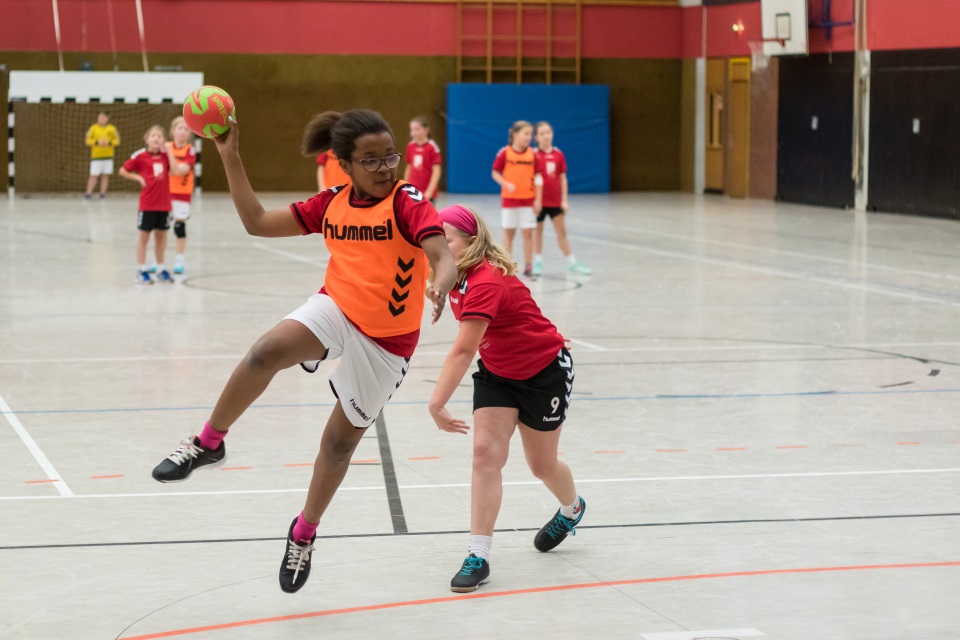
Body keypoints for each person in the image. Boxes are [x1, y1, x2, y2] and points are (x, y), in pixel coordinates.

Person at [150, 109, 458, 595]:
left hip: (388, 340)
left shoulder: (408, 201)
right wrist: (230, 154)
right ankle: (209, 442)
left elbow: (442, 255)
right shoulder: (331, 203)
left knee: (338, 445)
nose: (384, 168)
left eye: (390, 156)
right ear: (345, 165)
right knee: (266, 351)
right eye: (371, 160)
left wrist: (440, 284)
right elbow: (256, 222)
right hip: (339, 306)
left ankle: (304, 532)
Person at [428, 205, 585, 593]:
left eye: (447, 240)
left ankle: (572, 509)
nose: (439, 249)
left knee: (541, 465)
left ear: (471, 241)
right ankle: (478, 555)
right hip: (498, 373)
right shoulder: (452, 272)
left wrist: (436, 403)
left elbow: (463, 350)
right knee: (484, 454)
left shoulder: (485, 280)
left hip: (544, 373)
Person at [118, 125, 190, 284]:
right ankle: (141, 270)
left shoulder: (165, 156)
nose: (156, 138)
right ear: (147, 139)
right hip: (147, 205)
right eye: (153, 136)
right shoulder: (140, 156)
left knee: (161, 239)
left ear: (164, 140)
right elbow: (123, 170)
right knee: (144, 238)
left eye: (159, 136)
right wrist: (138, 178)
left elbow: (176, 171)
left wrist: (169, 151)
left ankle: (160, 269)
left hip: (164, 205)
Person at [532, 121, 591, 276]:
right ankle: (537, 263)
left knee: (561, 231)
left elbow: (562, 179)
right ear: (536, 137)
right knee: (538, 231)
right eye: (542, 133)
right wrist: (534, 200)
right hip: (538, 202)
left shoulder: (559, 155)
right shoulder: (533, 155)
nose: (546, 136)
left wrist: (564, 200)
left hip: (555, 201)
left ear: (552, 133)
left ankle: (571, 262)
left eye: (548, 132)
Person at [492, 121, 537, 278]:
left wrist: (538, 199)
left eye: (530, 134)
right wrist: (506, 183)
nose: (529, 137)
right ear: (515, 134)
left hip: (528, 201)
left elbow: (538, 177)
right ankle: (507, 265)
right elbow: (495, 173)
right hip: (509, 201)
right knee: (509, 234)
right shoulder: (505, 152)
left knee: (528, 234)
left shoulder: (532, 154)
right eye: (526, 134)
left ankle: (529, 266)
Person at [167, 117, 198, 275]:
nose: (183, 131)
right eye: (180, 128)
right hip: (165, 193)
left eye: (186, 129)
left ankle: (180, 259)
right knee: (160, 228)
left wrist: (169, 159)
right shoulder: (166, 147)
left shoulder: (190, 150)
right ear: (173, 131)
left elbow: (180, 171)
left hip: (182, 194)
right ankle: (158, 260)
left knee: (179, 227)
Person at [403, 116, 442, 204]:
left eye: (417, 129)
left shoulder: (432, 147)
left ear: (426, 130)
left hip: (427, 192)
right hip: (413, 190)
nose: (413, 132)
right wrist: (405, 185)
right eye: (412, 129)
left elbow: (436, 171)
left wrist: (430, 191)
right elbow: (409, 167)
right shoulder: (410, 146)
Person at [84, 111, 120, 200]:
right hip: (96, 157)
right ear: (97, 118)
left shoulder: (112, 128)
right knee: (93, 175)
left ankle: (103, 194)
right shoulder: (93, 128)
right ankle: (88, 194)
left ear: (107, 118)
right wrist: (97, 142)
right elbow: (87, 140)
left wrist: (109, 142)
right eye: (100, 117)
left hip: (108, 156)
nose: (102, 119)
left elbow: (117, 141)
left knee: (105, 175)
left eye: (104, 117)